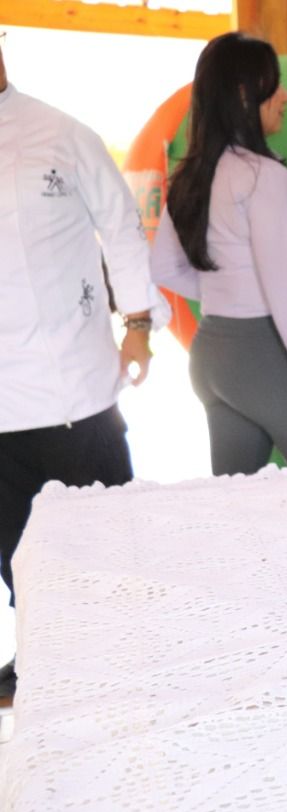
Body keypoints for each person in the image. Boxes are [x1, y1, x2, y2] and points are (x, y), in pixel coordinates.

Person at [0, 33, 172, 698]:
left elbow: (121, 230)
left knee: (105, 542)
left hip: (75, 386)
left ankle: (131, 661)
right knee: (15, 550)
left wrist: (138, 327)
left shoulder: (61, 133)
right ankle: (42, 656)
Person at [151, 33, 287, 475]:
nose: (286, 95)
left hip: (213, 355)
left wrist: (226, 290)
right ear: (245, 94)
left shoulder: (194, 174)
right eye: (274, 84)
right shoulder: (263, 177)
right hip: (264, 354)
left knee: (235, 501)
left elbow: (163, 266)